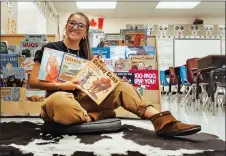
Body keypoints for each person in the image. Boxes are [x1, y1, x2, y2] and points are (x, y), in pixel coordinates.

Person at [29, 12, 201, 137]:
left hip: (85, 100)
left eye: (81, 25)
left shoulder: (88, 56)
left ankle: (161, 121)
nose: (75, 27)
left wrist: (103, 73)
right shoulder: (50, 48)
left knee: (123, 86)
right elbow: (33, 82)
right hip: (61, 99)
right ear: (66, 26)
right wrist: (62, 86)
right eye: (72, 23)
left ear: (85, 32)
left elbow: (101, 87)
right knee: (58, 102)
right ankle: (96, 117)